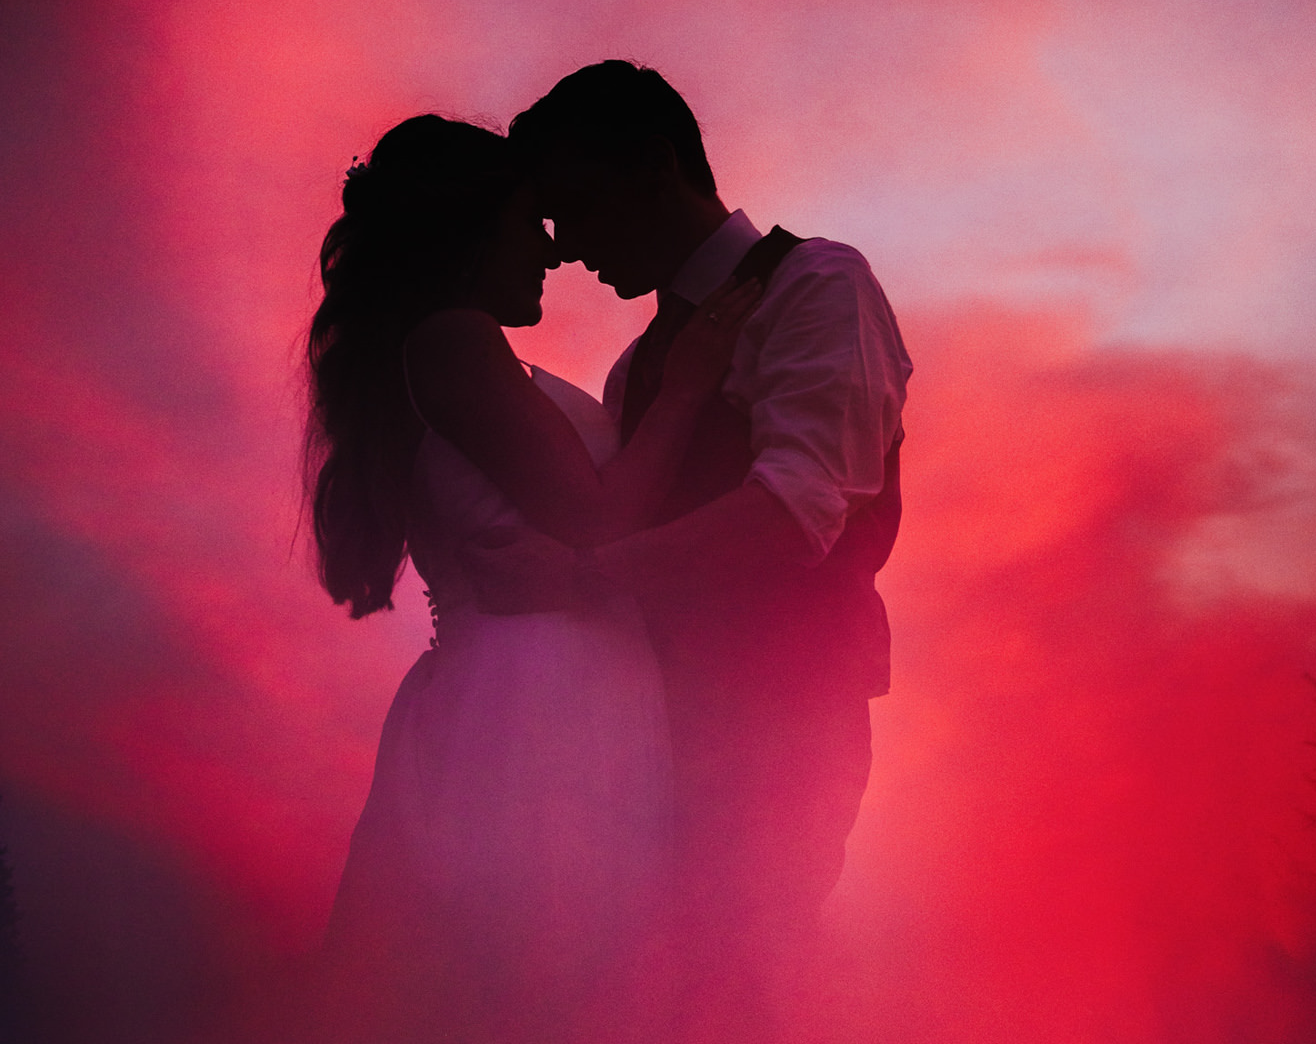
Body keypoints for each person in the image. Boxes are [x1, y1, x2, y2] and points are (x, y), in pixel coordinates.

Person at [304, 112, 760, 984]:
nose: (551, 253)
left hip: (555, 683)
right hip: (536, 701)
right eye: (528, 224)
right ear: (470, 233)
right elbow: (598, 517)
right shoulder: (452, 340)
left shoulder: (465, 352)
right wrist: (687, 388)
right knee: (546, 969)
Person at [474, 62, 913, 948]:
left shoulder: (816, 285)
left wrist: (580, 577)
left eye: (577, 207)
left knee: (742, 990)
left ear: (653, 166)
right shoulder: (638, 371)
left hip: (782, 729)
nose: (563, 246)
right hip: (651, 737)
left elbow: (794, 515)